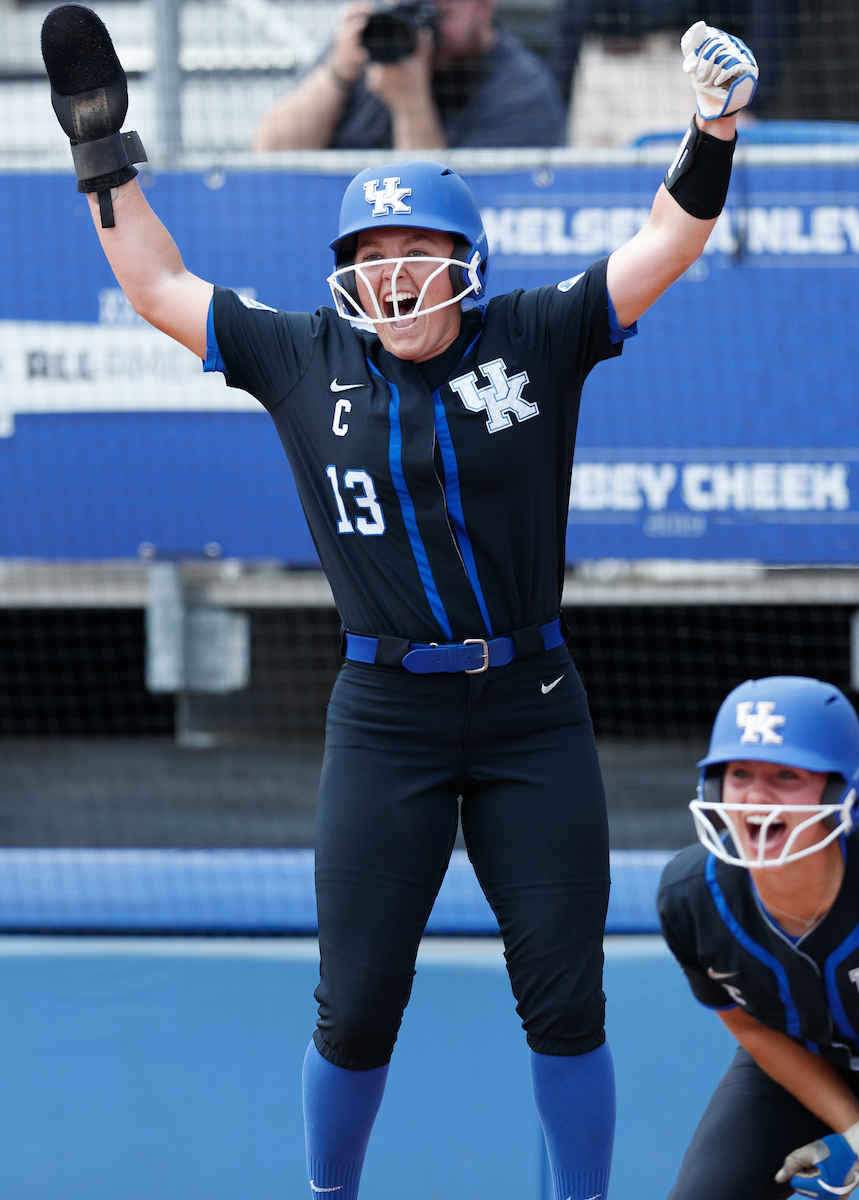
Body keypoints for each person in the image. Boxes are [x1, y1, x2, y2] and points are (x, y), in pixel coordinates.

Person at [40, 7, 757, 1197]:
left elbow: (665, 243)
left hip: (533, 701)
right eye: (371, 256)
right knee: (357, 997)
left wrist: (713, 127)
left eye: (416, 250)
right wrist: (100, 155)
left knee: (566, 999)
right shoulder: (301, 353)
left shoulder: (536, 334)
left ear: (468, 262)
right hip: (386, 714)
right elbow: (159, 285)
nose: (394, 274)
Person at [657, 675, 859, 1199]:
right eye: (740, 773)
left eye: (784, 775)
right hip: (809, 1057)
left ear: (840, 791)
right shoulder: (691, 898)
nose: (756, 797)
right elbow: (750, 1027)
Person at [251, 0, 564, 151]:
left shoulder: (522, 89)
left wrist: (409, 103)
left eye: (437, 14)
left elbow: (444, 221)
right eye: (412, 9)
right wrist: (337, 73)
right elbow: (269, 153)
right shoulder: (376, 42)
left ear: (484, 6)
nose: (422, 31)